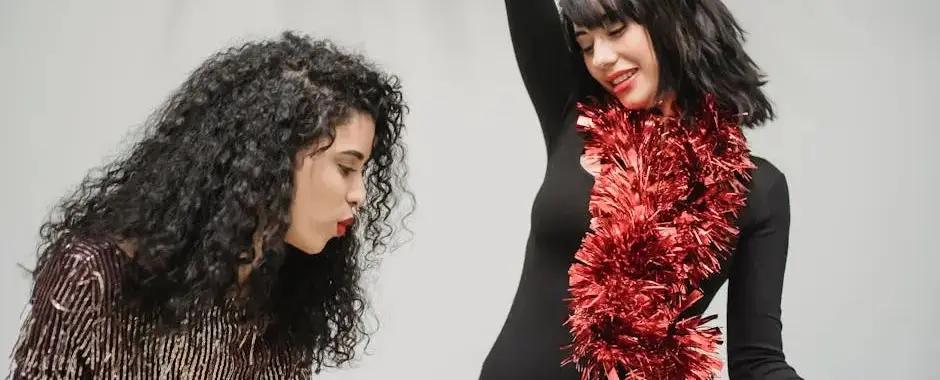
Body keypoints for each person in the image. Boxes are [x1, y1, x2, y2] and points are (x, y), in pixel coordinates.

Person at [8, 31, 411, 380]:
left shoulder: (281, 303)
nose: (359, 194)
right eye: (345, 167)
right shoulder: (93, 277)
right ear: (273, 159)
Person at [479, 0, 802, 379]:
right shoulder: (577, 118)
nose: (600, 57)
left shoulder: (755, 189)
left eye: (616, 31)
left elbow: (758, 363)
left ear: (674, 19)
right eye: (585, 44)